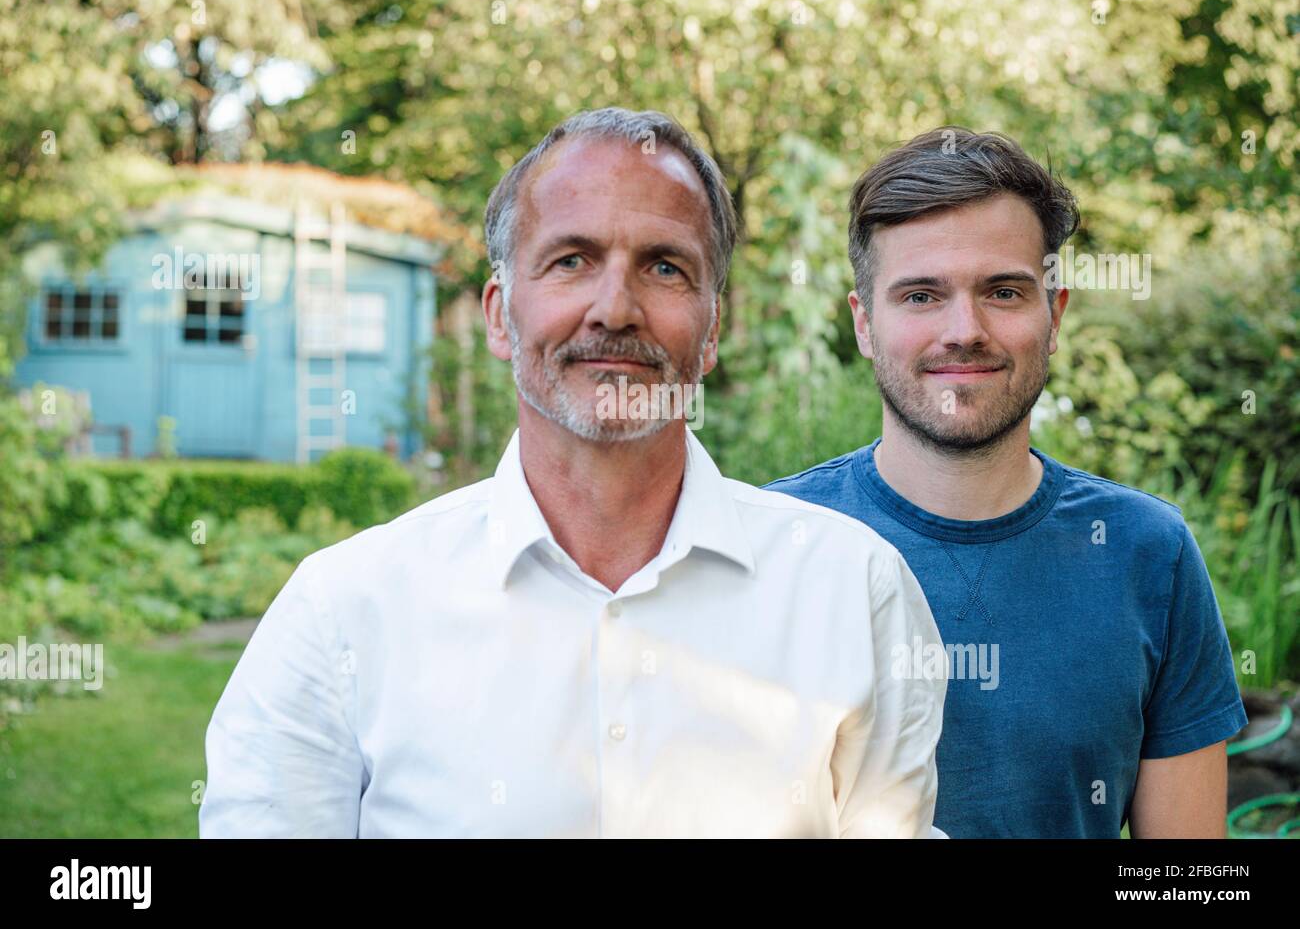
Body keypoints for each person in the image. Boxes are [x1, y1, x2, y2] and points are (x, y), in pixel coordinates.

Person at [199, 108, 946, 838]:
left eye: (663, 266)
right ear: (499, 315)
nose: (614, 308)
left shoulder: (853, 594)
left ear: (712, 329)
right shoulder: (344, 614)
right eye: (571, 261)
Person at [767, 126, 1248, 838]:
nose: (965, 329)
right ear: (865, 323)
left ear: (1053, 315)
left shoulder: (1150, 555)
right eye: (922, 295)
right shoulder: (773, 544)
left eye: (1003, 290)